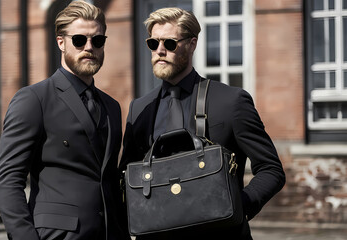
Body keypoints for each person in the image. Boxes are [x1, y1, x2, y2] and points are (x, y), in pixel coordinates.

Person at [119, 7, 285, 240]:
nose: (160, 51)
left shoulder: (230, 101)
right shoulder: (140, 109)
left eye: (169, 43)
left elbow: (271, 169)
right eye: (153, 44)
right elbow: (125, 178)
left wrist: (239, 208)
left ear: (192, 43)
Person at [0, 1, 130, 239]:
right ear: (60, 42)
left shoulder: (112, 107)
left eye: (97, 40)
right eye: (79, 40)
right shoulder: (33, 100)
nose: (89, 47)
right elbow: (7, 180)